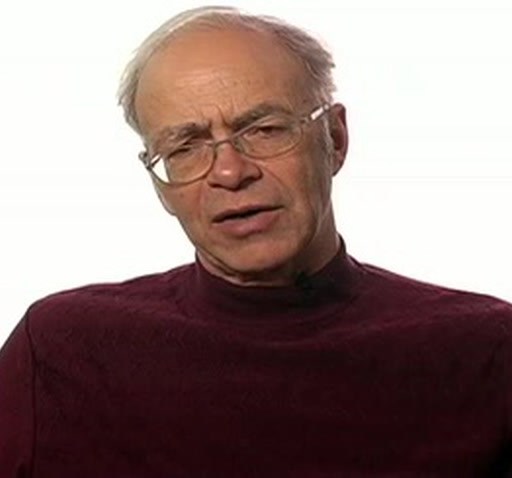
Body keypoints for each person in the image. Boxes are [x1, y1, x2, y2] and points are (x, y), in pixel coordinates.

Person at [1, 5, 511, 477]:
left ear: (335, 139)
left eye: (264, 129)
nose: (229, 171)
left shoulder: (488, 351)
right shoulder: (61, 352)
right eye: (185, 147)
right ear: (160, 183)